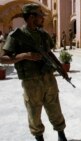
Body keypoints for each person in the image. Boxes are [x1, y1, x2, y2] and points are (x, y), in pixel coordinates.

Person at [0, 3, 68, 141]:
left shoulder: (43, 34)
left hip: (48, 78)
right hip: (31, 81)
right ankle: (39, 137)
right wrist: (24, 56)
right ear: (32, 17)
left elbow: (49, 53)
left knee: (55, 107)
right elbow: (3, 58)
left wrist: (61, 68)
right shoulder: (16, 36)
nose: (42, 19)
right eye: (40, 16)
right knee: (34, 111)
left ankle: (61, 134)